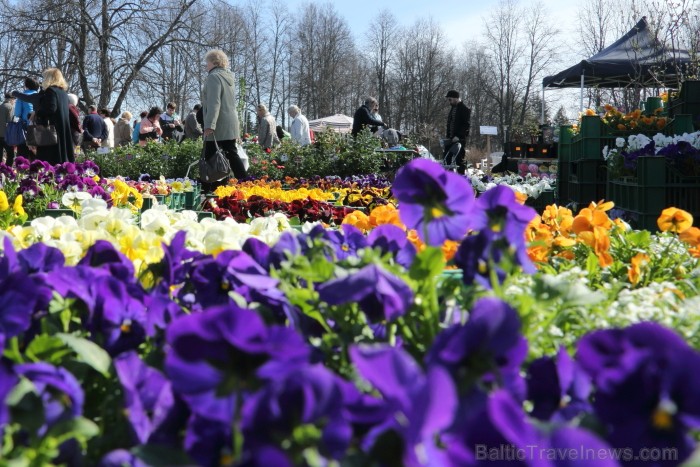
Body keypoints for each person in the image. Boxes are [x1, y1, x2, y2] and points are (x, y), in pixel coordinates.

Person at [202, 49, 246, 185]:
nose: (206, 66)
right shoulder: (228, 78)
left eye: (207, 62)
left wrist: (210, 124)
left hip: (218, 123)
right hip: (230, 121)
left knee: (210, 155)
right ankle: (245, 181)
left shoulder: (213, 77)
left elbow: (214, 102)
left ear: (214, 62)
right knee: (231, 153)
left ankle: (212, 186)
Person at [13, 68, 74, 164]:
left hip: (51, 132)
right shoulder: (63, 93)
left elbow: (50, 109)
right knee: (61, 160)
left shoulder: (51, 91)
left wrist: (35, 113)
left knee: (48, 162)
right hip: (62, 130)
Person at [445, 90, 471, 174]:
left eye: (450, 99)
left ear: (456, 98)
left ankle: (461, 179)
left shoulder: (464, 109)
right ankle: (450, 178)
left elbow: (466, 125)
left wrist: (459, 136)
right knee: (446, 158)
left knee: (459, 160)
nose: (449, 102)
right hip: (450, 139)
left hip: (459, 139)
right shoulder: (453, 108)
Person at [13, 77, 40, 159]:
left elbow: (17, 113)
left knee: (23, 155)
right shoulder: (41, 96)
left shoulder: (22, 97)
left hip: (25, 128)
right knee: (36, 155)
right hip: (39, 128)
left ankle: (22, 170)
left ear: (26, 86)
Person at [0, 92, 15, 165]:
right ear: (11, 99)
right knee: (10, 154)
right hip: (6, 135)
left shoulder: (0, 106)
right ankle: (7, 171)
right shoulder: (10, 107)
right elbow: (10, 122)